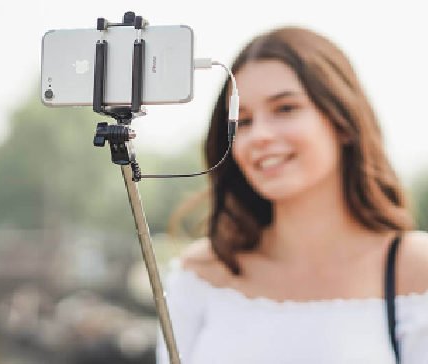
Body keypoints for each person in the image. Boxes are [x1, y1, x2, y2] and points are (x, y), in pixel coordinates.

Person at [156, 26, 428, 363]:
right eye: (242, 122)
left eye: (285, 109)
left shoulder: (416, 268)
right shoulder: (201, 272)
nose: (260, 136)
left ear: (342, 120)